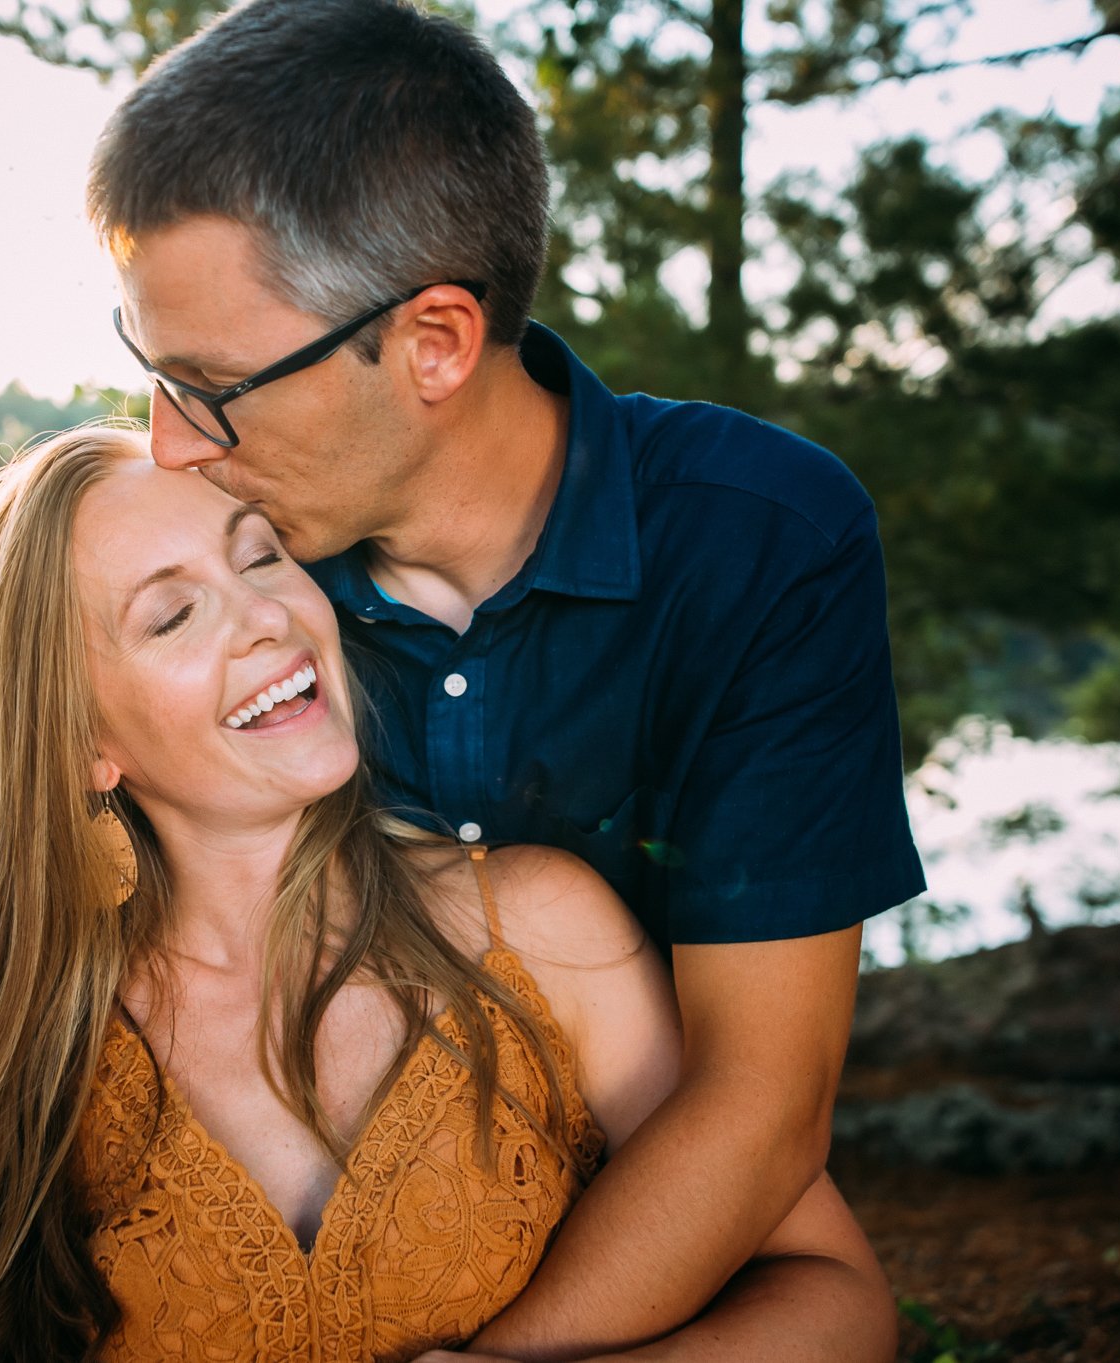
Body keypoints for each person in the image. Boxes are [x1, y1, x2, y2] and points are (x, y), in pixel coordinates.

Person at [0, 428, 895, 1362]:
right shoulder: (28, 1036)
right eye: (174, 614)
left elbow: (832, 1297)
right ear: (85, 744)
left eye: (260, 557)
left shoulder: (537, 928)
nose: (266, 618)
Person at [90, 2, 927, 1356]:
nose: (170, 445)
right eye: (149, 370)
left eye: (214, 385)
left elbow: (762, 1100)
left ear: (434, 340)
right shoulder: (254, 618)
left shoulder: (759, 539)